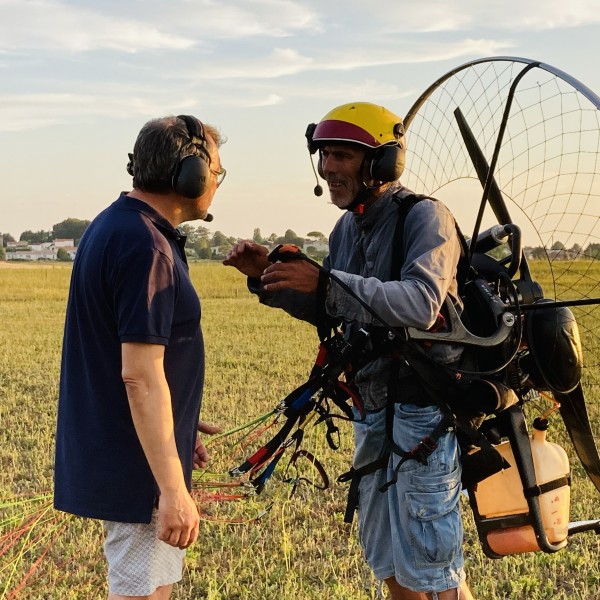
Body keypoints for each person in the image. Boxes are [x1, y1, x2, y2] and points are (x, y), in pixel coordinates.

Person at [224, 102, 475, 600]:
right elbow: (335, 309)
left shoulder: (426, 217)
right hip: (370, 401)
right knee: (383, 551)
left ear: (381, 162)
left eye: (341, 156)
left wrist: (327, 282)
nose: (328, 168)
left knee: (431, 559)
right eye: (324, 155)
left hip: (424, 407)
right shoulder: (347, 229)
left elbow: (421, 303)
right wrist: (268, 278)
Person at [54, 114, 225, 600]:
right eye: (216, 170)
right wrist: (172, 488)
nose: (216, 182)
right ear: (189, 174)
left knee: (152, 587)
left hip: (140, 455)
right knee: (140, 593)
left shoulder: (119, 226)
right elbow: (140, 377)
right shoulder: (146, 245)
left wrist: (177, 429)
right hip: (139, 473)